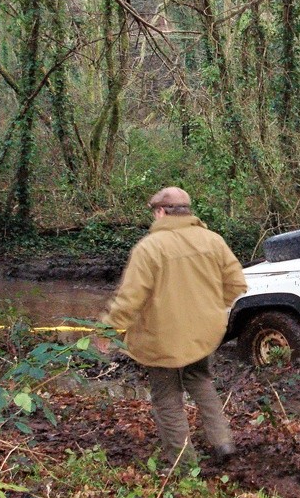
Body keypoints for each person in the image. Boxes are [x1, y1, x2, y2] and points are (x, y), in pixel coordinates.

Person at [95, 187, 247, 469]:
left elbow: (130, 298)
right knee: (201, 381)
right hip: (203, 334)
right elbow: (237, 284)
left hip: (160, 338)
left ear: (161, 212)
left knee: (167, 399)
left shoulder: (150, 248)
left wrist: (109, 329)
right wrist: (214, 307)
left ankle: (184, 465)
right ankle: (223, 442)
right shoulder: (213, 240)